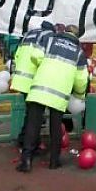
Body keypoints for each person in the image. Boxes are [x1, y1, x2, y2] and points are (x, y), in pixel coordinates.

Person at [16, 25, 88, 172]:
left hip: (40, 87)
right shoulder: (79, 52)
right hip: (60, 93)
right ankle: (54, 162)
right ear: (77, 37)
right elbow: (82, 80)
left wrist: (44, 67)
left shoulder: (49, 40)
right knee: (56, 128)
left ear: (64, 31)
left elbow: (35, 55)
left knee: (32, 124)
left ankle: (26, 161)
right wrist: (79, 95)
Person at [10, 21, 56, 149]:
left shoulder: (28, 35)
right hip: (34, 81)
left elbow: (17, 55)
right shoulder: (48, 37)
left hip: (21, 79)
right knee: (35, 115)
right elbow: (41, 58)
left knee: (31, 113)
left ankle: (27, 141)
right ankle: (27, 143)